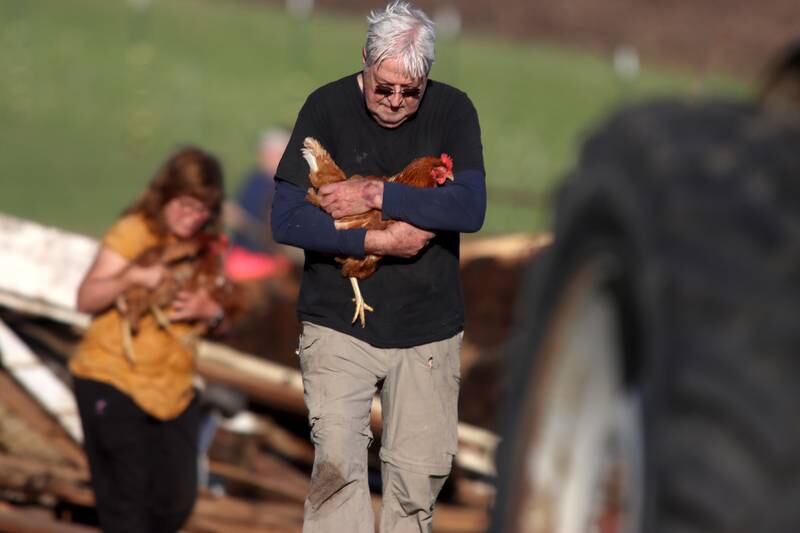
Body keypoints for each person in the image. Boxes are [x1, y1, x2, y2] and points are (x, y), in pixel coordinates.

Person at [271, 1, 486, 531]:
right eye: (384, 86)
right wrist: (381, 240)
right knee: (338, 471)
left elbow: (469, 208)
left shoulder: (454, 112)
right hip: (338, 318)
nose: (394, 100)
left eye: (409, 91)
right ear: (365, 61)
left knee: (416, 482)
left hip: (426, 330)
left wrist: (376, 192)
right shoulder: (325, 106)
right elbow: (286, 218)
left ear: (426, 80)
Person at [69, 146, 229, 533]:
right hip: (114, 377)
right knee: (127, 505)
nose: (193, 219)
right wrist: (132, 278)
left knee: (174, 504)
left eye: (202, 210)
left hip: (172, 391)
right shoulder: (134, 232)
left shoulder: (207, 250)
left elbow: (223, 322)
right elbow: (86, 298)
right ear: (167, 195)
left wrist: (213, 312)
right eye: (186, 206)